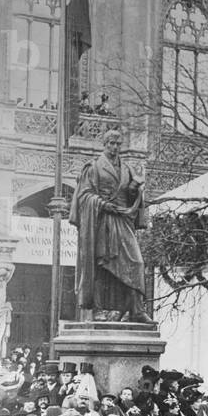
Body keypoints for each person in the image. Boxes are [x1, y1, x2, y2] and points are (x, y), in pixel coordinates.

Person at [71, 129, 151, 322]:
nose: (115, 148)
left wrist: (133, 191)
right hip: (102, 221)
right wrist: (102, 204)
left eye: (118, 144)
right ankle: (99, 309)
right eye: (111, 144)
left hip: (123, 221)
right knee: (102, 265)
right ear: (104, 144)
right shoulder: (94, 167)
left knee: (136, 262)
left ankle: (136, 310)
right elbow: (84, 196)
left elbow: (134, 196)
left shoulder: (127, 168)